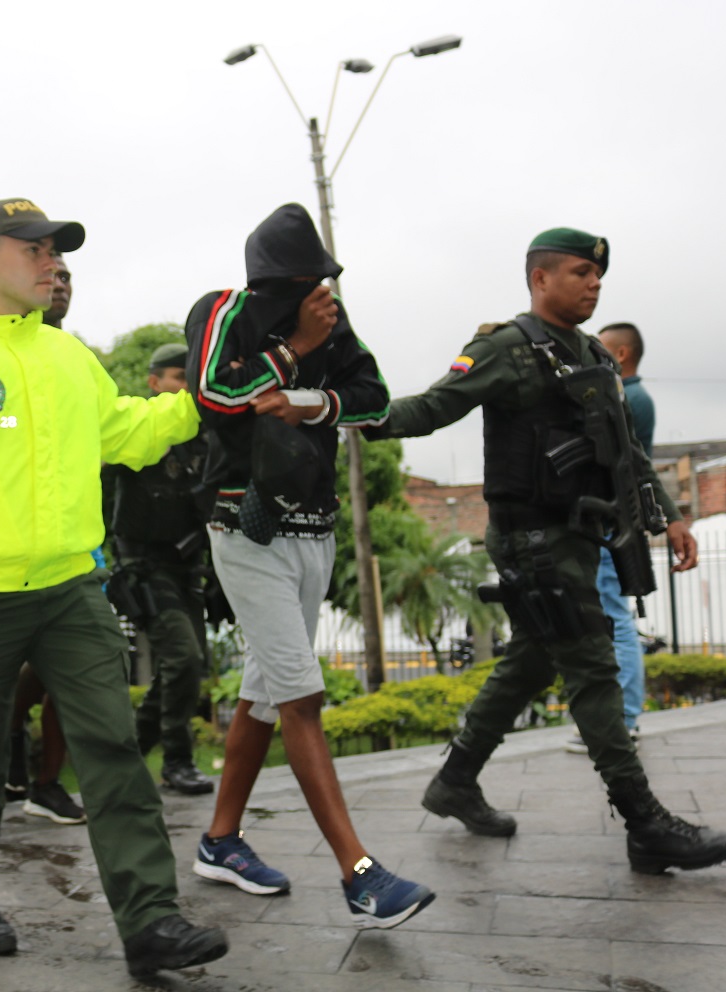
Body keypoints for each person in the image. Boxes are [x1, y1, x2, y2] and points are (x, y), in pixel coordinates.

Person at [0, 197, 226, 978]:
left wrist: (200, 403)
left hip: (70, 591)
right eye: (35, 249)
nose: (52, 262)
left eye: (57, 251)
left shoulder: (68, 358)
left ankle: (151, 921)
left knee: (112, 747)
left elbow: (124, 430)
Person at [366, 227, 726, 875]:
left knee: (533, 661)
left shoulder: (592, 352)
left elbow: (626, 450)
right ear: (540, 279)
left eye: (597, 275)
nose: (594, 282)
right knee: (593, 664)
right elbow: (433, 407)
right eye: (579, 273)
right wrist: (341, 411)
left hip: (580, 531)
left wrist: (672, 519)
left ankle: (454, 780)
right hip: (530, 535)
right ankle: (645, 822)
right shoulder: (506, 349)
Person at [183, 203, 433, 930]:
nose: (310, 295)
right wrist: (294, 346)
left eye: (317, 282)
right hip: (245, 526)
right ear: (264, 280)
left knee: (264, 693)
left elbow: (374, 399)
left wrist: (305, 401)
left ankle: (220, 840)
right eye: (293, 285)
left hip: (312, 524)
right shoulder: (223, 310)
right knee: (300, 696)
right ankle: (360, 874)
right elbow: (217, 392)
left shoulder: (331, 315)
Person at [105, 341, 215, 796]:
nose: (185, 386)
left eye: (190, 378)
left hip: (186, 567)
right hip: (145, 566)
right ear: (154, 383)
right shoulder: (136, 432)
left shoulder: (202, 436)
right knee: (183, 659)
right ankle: (177, 760)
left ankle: (127, 756)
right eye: (176, 377)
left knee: (185, 666)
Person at [4, 253, 86, 826]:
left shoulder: (76, 359)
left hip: (72, 556)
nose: (58, 285)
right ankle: (2, 756)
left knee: (72, 676)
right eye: (50, 274)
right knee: (2, 685)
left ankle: (46, 781)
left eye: (67, 279)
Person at [567, 322, 654, 753]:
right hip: (616, 519)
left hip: (613, 522)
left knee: (616, 621)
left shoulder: (629, 398)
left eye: (600, 348)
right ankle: (623, 718)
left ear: (620, 354)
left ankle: (624, 720)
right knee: (616, 620)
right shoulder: (634, 396)